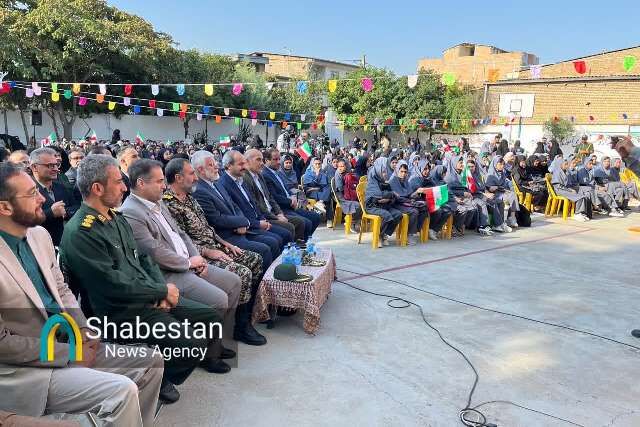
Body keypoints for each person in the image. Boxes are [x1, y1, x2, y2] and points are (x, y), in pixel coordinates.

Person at [0, 163, 164, 424]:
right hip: (27, 369)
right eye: (32, 194)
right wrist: (69, 353)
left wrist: (85, 331)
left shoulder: (39, 235)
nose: (43, 198)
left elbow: (62, 291)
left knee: (152, 361)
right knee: (121, 391)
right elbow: (3, 344)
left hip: (71, 341)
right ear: (5, 207)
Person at [59, 154, 224, 403]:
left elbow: (144, 259)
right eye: (119, 182)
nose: (125, 187)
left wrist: (162, 289)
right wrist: (159, 292)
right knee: (191, 344)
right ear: (97, 188)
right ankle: (157, 379)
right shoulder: (82, 231)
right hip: (118, 310)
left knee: (210, 318)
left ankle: (160, 374)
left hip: (145, 295)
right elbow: (112, 284)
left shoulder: (115, 218)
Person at [120, 159, 242, 373]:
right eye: (158, 181)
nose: (163, 185)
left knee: (233, 282)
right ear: (141, 183)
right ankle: (207, 354)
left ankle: (215, 343)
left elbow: (181, 234)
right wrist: (187, 263)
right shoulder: (132, 212)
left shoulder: (158, 202)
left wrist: (197, 258)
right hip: (167, 274)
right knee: (218, 298)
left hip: (189, 263)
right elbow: (154, 252)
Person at [163, 158, 266, 346]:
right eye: (191, 174)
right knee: (242, 273)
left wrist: (225, 243)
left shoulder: (189, 197)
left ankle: (242, 321)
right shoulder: (169, 204)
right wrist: (208, 252)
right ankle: (232, 329)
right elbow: (180, 240)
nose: (195, 178)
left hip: (215, 245)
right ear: (178, 178)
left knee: (255, 259)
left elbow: (207, 228)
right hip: (197, 256)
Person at [191, 150, 274, 271]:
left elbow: (234, 205)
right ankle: (263, 287)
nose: (216, 167)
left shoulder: (216, 183)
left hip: (239, 230)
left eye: (215, 163)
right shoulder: (199, 191)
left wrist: (242, 221)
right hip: (226, 236)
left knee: (272, 240)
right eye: (211, 165)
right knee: (265, 248)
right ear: (200, 170)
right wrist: (242, 223)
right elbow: (216, 219)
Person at [218, 151, 291, 256]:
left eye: (244, 163)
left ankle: (285, 266)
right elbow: (238, 212)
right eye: (241, 164)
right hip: (248, 227)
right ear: (229, 166)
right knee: (275, 240)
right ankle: (273, 271)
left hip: (257, 221)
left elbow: (254, 203)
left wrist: (262, 218)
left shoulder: (240, 179)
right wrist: (258, 223)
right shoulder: (224, 184)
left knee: (285, 234)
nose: (244, 166)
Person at [243, 149, 306, 244]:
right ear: (247, 161)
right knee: (289, 228)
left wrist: (279, 213)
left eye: (262, 160)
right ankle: (289, 254)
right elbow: (257, 204)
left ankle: (298, 251)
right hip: (264, 216)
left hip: (273, 212)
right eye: (258, 160)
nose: (262, 163)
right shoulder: (246, 179)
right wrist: (276, 217)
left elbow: (270, 197)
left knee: (300, 222)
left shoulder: (259, 175)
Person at [262, 149, 321, 237]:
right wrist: (290, 201)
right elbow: (274, 197)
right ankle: (298, 247)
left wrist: (292, 196)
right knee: (305, 222)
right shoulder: (266, 175)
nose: (278, 162)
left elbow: (285, 188)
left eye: (279, 159)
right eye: (275, 159)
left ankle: (304, 243)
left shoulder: (276, 172)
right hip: (282, 208)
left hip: (290, 204)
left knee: (316, 217)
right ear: (267, 160)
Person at [30, 148, 79, 246]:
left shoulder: (61, 187)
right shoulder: (26, 190)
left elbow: (76, 207)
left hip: (63, 243)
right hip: (38, 246)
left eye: (57, 165)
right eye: (50, 166)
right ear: (35, 167)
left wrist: (65, 213)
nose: (56, 169)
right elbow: (24, 220)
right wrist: (50, 213)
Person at [444, 155, 494, 235]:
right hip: (453, 198)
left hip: (465, 197)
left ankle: (462, 225)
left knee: (473, 207)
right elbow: (449, 190)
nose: (462, 165)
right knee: (467, 207)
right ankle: (456, 226)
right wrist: (462, 193)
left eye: (462, 163)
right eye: (460, 163)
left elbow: (466, 187)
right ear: (454, 164)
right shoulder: (449, 177)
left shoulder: (462, 174)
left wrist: (467, 193)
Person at [364, 157, 403, 247]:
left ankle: (384, 234)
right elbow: (378, 195)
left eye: (386, 171)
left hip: (384, 205)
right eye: (383, 172)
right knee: (387, 215)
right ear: (378, 170)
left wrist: (389, 197)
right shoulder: (372, 181)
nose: (385, 174)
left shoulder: (384, 182)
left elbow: (390, 196)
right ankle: (377, 237)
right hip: (372, 206)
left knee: (398, 214)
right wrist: (389, 195)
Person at [388, 160, 428, 245]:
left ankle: (414, 230)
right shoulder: (393, 181)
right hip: (397, 204)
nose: (403, 174)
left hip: (407, 203)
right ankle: (409, 234)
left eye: (405, 172)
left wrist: (417, 192)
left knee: (424, 207)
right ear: (397, 170)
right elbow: (398, 198)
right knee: (414, 211)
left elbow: (410, 195)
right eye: (401, 171)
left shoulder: (405, 181)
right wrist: (410, 201)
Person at [485, 156, 520, 229]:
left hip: (501, 192)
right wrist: (498, 188)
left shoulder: (502, 174)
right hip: (494, 195)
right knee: (511, 196)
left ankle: (512, 217)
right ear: (495, 164)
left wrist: (505, 189)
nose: (502, 166)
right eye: (500, 164)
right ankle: (511, 218)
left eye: (503, 164)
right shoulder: (490, 175)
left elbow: (505, 184)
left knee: (512, 194)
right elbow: (489, 188)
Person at [334, 158, 362, 233]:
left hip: (349, 194)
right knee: (357, 205)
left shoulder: (348, 172)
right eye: (339, 166)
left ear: (346, 166)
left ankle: (357, 222)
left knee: (363, 203)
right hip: (341, 196)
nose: (341, 168)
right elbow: (340, 188)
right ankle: (352, 223)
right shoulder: (338, 174)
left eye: (342, 166)